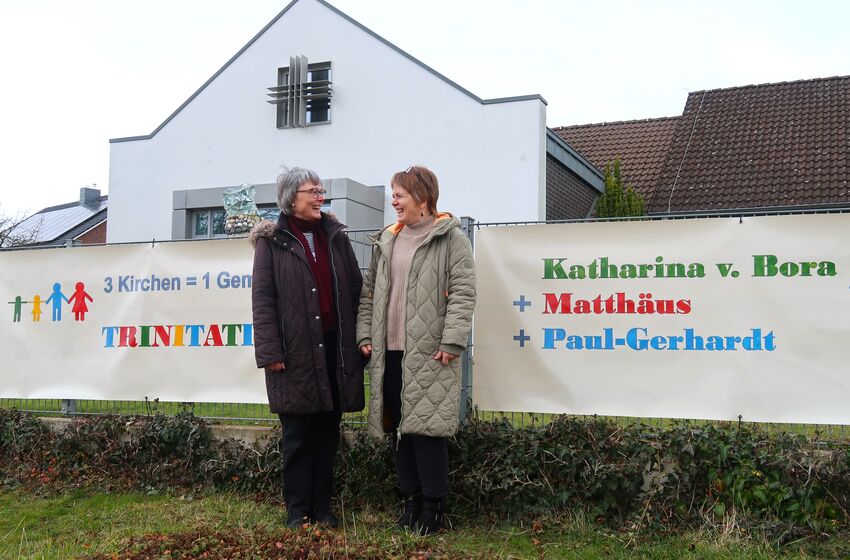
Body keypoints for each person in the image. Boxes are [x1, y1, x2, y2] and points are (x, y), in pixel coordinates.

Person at [356, 165, 476, 535]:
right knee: (399, 432)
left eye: (400, 195)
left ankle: (432, 509)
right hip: (389, 353)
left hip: (430, 352)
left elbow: (463, 292)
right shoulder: (387, 240)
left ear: (421, 198)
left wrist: (452, 340)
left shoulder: (451, 238)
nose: (393, 201)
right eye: (393, 194)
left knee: (427, 433)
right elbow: (369, 294)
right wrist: (365, 335)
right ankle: (410, 504)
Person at [250, 166, 365, 529]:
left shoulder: (336, 237)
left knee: (328, 434)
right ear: (291, 198)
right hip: (294, 352)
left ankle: (323, 508)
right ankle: (297, 511)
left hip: (334, 350)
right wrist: (271, 352)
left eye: (321, 191)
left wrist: (360, 337)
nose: (320, 198)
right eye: (313, 192)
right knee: (298, 437)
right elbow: (262, 301)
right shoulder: (271, 242)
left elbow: (356, 289)